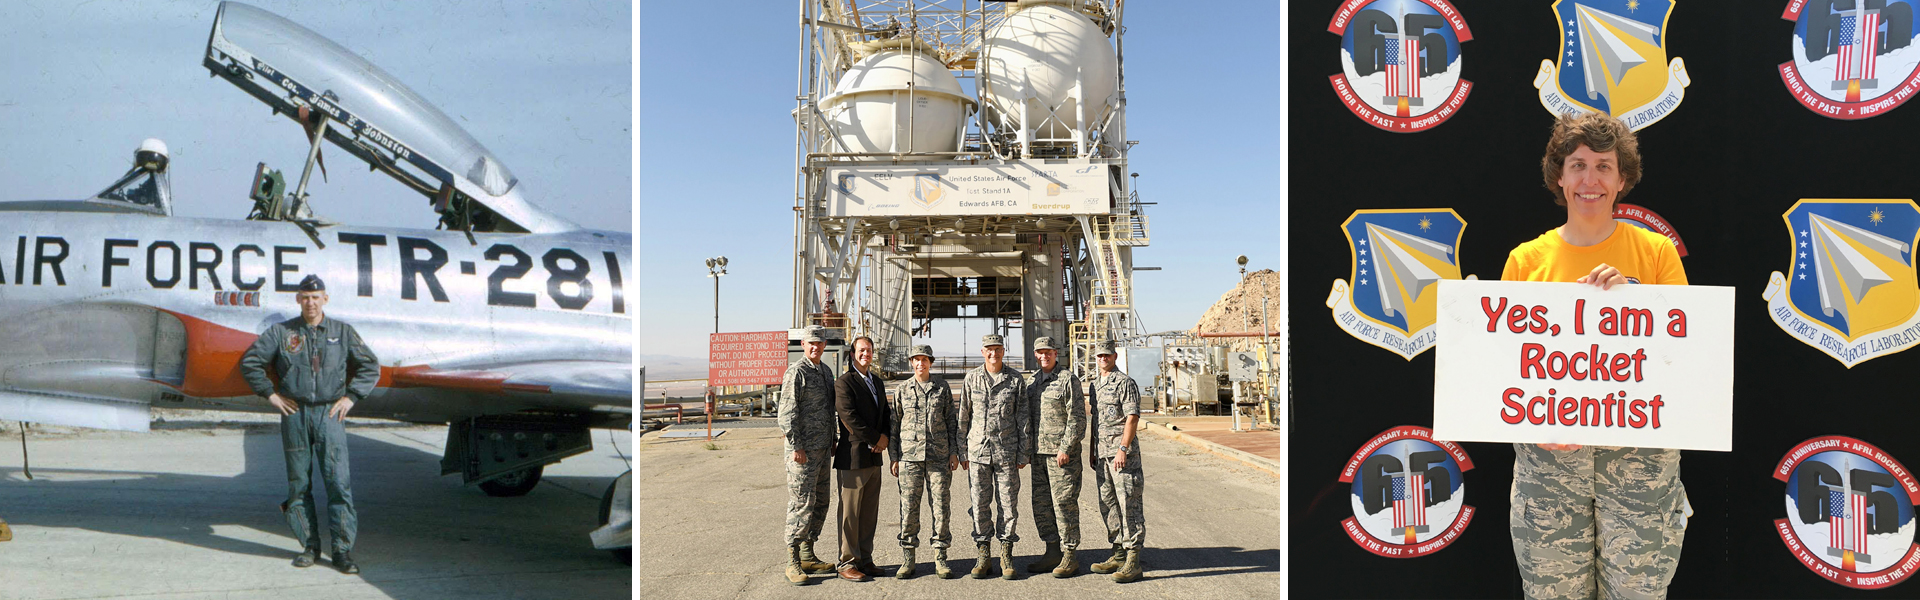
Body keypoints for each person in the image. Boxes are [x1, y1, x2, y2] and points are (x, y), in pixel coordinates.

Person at [1502, 112, 1690, 600]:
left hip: (1640, 468)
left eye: (1604, 166)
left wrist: (1637, 300)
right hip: (1548, 467)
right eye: (1578, 165)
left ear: (1622, 178)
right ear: (1558, 178)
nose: (1590, 179)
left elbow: (1685, 358)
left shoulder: (1656, 253)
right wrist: (1535, 423)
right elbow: (1501, 370)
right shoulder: (1526, 262)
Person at [238, 274, 379, 575]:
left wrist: (351, 398)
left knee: (338, 483)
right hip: (295, 413)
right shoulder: (281, 332)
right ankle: (309, 546)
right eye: (305, 297)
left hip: (330, 415)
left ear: (325, 299)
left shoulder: (342, 332)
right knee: (298, 484)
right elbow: (250, 362)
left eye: (316, 297)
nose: (310, 302)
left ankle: (341, 551)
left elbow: (370, 366)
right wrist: (271, 395)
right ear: (297, 299)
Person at [958, 333, 1030, 579]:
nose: (993, 353)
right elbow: (963, 417)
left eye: (997, 349)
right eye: (989, 349)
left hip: (1006, 453)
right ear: (982, 352)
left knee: (1008, 505)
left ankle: (1006, 555)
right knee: (979, 505)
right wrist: (962, 450)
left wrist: (1023, 451)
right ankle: (983, 554)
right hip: (977, 452)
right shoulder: (972, 379)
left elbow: (1023, 418)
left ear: (1003, 350)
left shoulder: (1015, 380)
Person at [887, 344, 961, 579]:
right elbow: (894, 427)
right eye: (916, 360)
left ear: (931, 362)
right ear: (911, 362)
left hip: (939, 458)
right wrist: (894, 457)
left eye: (924, 359)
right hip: (910, 459)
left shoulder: (942, 388)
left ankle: (940, 557)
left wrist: (953, 452)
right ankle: (908, 558)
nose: (920, 364)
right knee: (908, 509)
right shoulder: (902, 390)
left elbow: (952, 421)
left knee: (941, 508)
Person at [777, 326, 838, 585]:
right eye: (811, 343)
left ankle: (807, 553)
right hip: (802, 453)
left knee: (821, 502)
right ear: (803, 344)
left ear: (825, 345)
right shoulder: (797, 372)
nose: (815, 347)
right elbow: (786, 414)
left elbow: (829, 409)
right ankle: (792, 559)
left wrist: (833, 439)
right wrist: (797, 447)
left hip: (823, 449)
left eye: (819, 343)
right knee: (801, 503)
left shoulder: (825, 372)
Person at [1024, 336, 1086, 577]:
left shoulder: (1067, 379)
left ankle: (1070, 554)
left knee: (1064, 504)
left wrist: (1066, 448)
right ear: (1035, 354)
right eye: (1040, 352)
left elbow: (1077, 417)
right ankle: (1052, 552)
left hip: (1062, 456)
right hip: (1039, 455)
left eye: (1048, 352)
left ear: (1056, 353)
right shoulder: (1032, 382)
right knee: (1042, 505)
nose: (1044, 356)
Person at [832, 336, 891, 582]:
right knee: (850, 513)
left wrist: (885, 436)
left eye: (869, 350)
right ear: (852, 354)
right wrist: (876, 439)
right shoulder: (844, 383)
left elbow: (885, 412)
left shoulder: (876, 382)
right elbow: (849, 417)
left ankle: (865, 559)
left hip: (874, 457)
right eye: (861, 350)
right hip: (854, 457)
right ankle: (847, 562)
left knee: (868, 513)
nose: (865, 354)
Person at [1086, 340, 1145, 583]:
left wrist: (1123, 448)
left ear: (1114, 356)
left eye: (1107, 356)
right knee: (1108, 504)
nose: (1103, 359)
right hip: (1101, 455)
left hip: (1122, 456)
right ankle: (1118, 551)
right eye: (1099, 356)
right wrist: (1091, 449)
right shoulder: (1095, 384)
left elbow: (1132, 418)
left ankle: (1133, 557)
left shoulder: (1125, 383)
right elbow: (1096, 421)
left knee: (1128, 503)